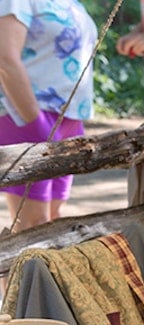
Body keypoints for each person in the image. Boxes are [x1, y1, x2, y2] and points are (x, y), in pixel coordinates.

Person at [0, 0, 98, 232]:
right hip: (26, 115)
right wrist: (34, 121)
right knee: (33, 225)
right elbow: (4, 58)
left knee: (53, 220)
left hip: (68, 120)